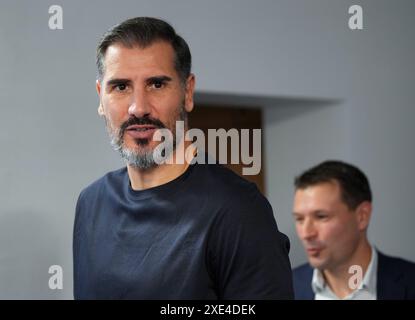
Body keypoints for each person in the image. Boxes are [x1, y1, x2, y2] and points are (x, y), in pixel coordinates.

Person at [73, 17, 293, 299]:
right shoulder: (91, 203)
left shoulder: (237, 212)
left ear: (187, 92)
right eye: (121, 87)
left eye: (156, 84)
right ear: (100, 97)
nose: (138, 107)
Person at [292, 160, 415, 300]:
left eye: (321, 217)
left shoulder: (410, 282)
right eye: (299, 219)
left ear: (362, 216)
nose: (306, 234)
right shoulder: (284, 287)